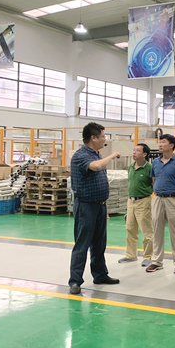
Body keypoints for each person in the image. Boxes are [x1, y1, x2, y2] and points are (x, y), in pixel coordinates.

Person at [68, 122, 121, 295]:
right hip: (86, 206)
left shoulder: (95, 154)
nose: (104, 139)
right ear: (93, 137)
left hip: (99, 206)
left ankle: (100, 275)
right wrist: (112, 155)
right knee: (82, 244)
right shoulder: (81, 155)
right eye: (103, 136)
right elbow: (96, 167)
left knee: (99, 244)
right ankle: (75, 281)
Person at [145, 134, 175, 274]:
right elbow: (154, 179)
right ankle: (156, 261)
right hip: (157, 198)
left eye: (163, 142)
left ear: (171, 145)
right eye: (160, 142)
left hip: (173, 199)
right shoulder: (155, 162)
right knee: (157, 230)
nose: (160, 144)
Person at [118, 143, 154, 267]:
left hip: (143, 201)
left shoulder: (149, 167)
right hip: (130, 201)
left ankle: (148, 256)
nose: (134, 152)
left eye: (138, 150)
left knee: (146, 230)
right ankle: (131, 255)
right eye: (134, 150)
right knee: (130, 229)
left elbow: (153, 184)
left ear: (144, 154)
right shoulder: (131, 167)